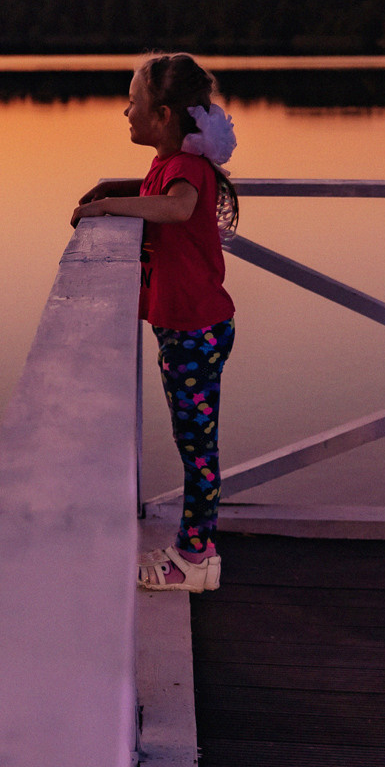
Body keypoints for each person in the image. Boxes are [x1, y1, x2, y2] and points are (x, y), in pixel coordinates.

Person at [72, 53, 239, 593]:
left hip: (193, 329)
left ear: (163, 115)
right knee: (196, 443)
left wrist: (107, 208)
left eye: (134, 102)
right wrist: (115, 189)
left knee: (198, 449)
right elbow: (162, 192)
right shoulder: (172, 162)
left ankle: (194, 558)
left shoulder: (185, 172)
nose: (125, 111)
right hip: (191, 326)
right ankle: (200, 552)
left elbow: (179, 208)